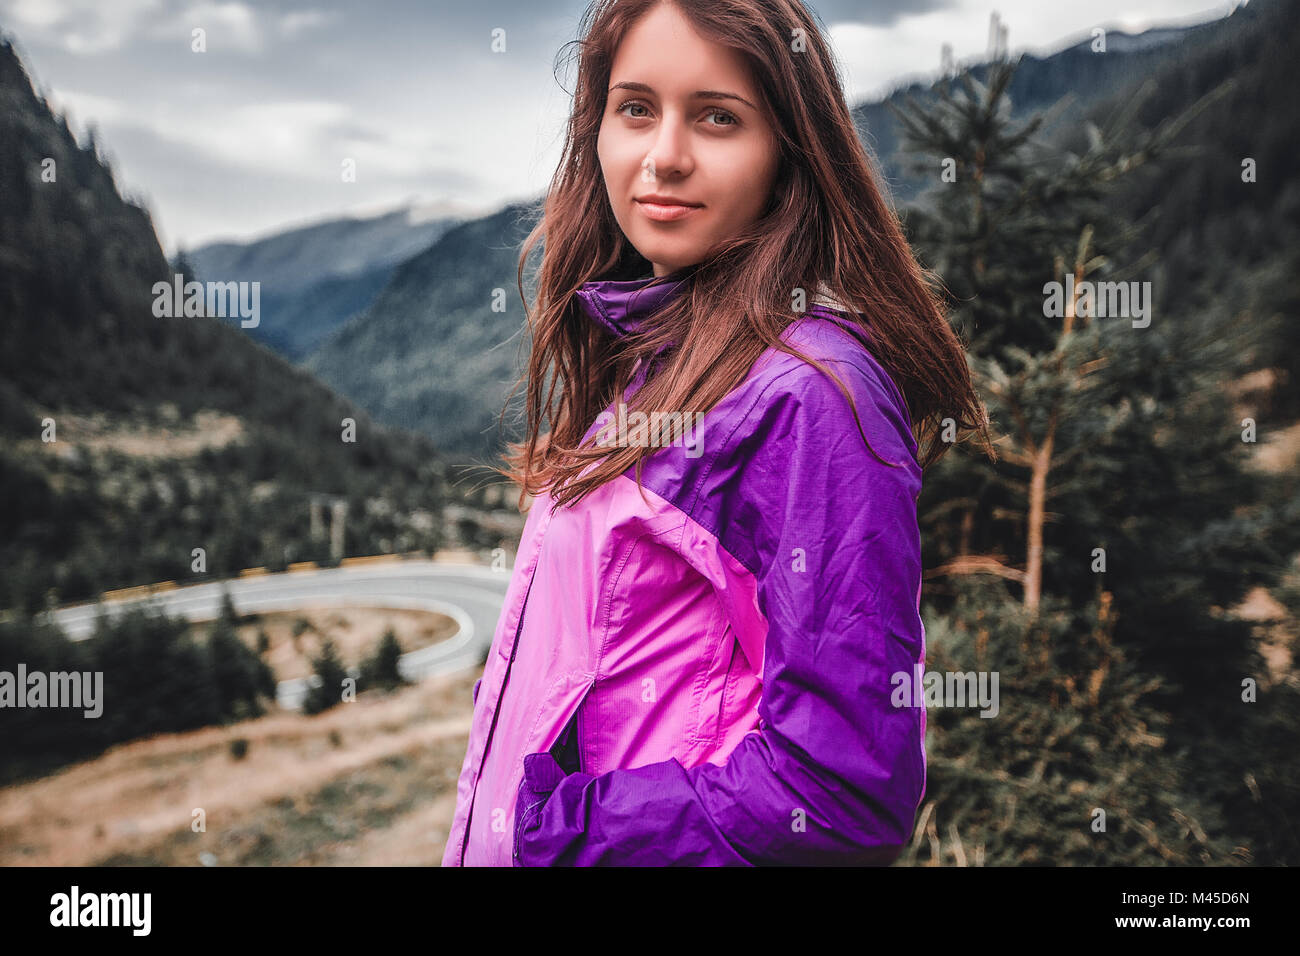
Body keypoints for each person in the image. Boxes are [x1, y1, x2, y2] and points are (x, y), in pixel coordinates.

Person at [441, 0, 993, 866]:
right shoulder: (642, 348)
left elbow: (840, 793)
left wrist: (556, 830)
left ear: (789, 152)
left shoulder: (807, 394)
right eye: (635, 108)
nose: (663, 155)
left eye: (718, 117)